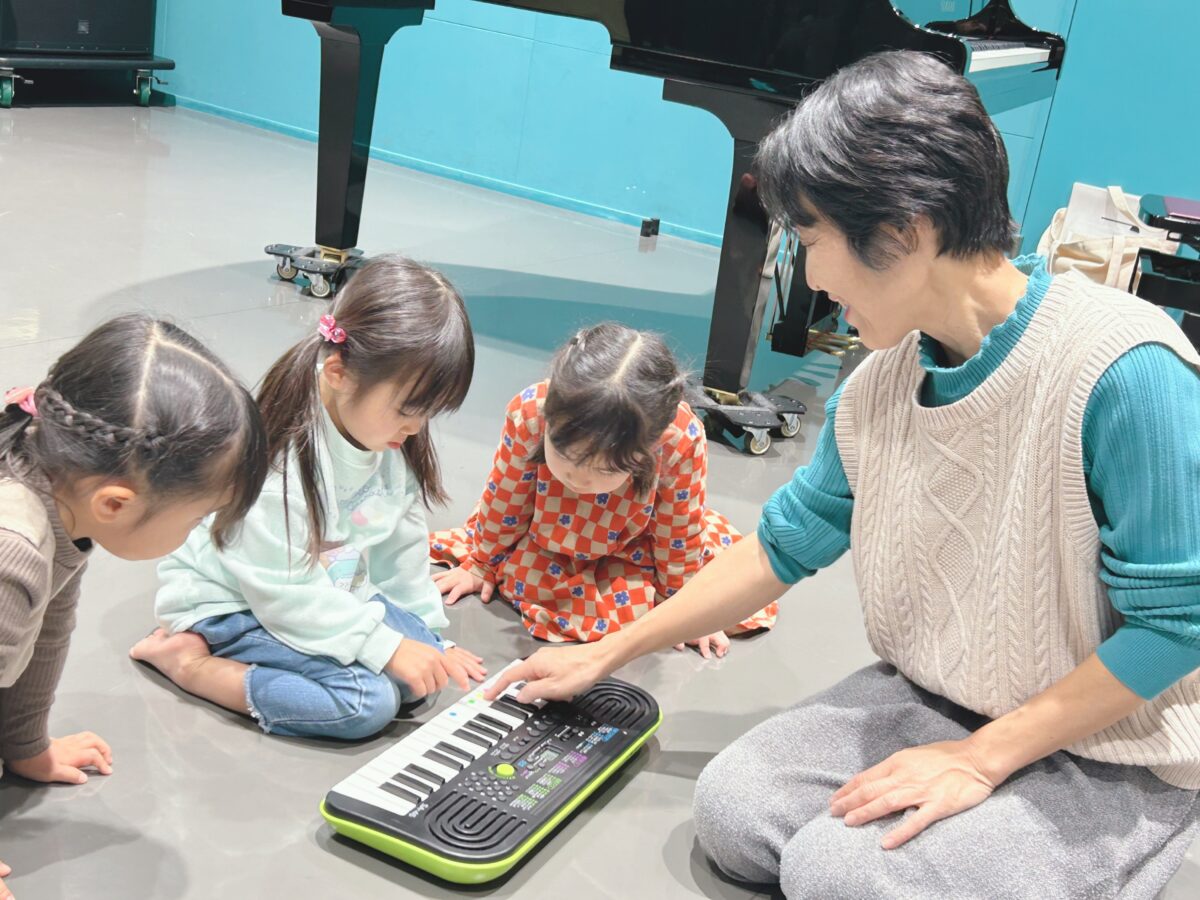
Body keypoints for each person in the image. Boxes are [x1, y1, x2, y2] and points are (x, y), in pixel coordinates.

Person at [487, 51, 1200, 897]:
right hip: (942, 696)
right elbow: (779, 548)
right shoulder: (878, 388)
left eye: (812, 240)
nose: (812, 275)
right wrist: (606, 653)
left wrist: (981, 759)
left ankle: (1146, 843)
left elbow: (1178, 626)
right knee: (734, 811)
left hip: (1115, 743)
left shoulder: (1125, 370)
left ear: (904, 232)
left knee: (840, 877)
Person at [134, 255, 487, 740]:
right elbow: (279, 590)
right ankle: (190, 664)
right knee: (367, 703)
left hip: (322, 584)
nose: (416, 427)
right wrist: (383, 646)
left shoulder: (391, 437)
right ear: (338, 371)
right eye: (408, 409)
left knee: (419, 679)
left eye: (428, 413)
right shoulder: (280, 460)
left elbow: (401, 547)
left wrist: (429, 636)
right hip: (237, 601)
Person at [0, 314, 267, 900]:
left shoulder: (58, 497)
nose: (197, 533)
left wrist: (25, 745)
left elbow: (49, 629)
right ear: (116, 504)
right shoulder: (11, 552)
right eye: (197, 517)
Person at [430, 323, 776, 656]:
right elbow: (506, 500)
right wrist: (482, 563)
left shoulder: (679, 438)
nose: (578, 478)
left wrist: (682, 607)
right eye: (564, 454)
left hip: (631, 547)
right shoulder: (531, 411)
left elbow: (677, 532)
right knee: (529, 578)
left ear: (649, 447)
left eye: (606, 469)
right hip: (544, 536)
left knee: (669, 601)